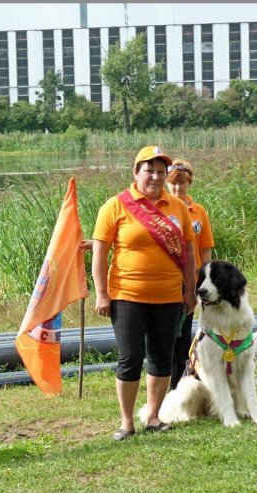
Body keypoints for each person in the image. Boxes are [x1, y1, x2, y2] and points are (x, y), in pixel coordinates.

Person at [92, 146, 197, 440]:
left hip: (169, 297)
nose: (155, 176)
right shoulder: (115, 206)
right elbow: (99, 253)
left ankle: (153, 416)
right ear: (135, 172)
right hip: (127, 296)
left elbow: (188, 250)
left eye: (161, 171)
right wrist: (102, 293)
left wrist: (190, 290)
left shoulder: (178, 207)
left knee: (162, 357)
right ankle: (127, 422)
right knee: (130, 357)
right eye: (149, 170)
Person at [165, 159, 214, 389]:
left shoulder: (199, 212)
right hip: (167, 280)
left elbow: (205, 250)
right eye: (173, 184)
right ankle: (166, 378)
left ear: (189, 183)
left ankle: (182, 380)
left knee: (184, 333)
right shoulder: (159, 210)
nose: (177, 188)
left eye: (182, 183)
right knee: (165, 333)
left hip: (190, 282)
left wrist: (205, 281)